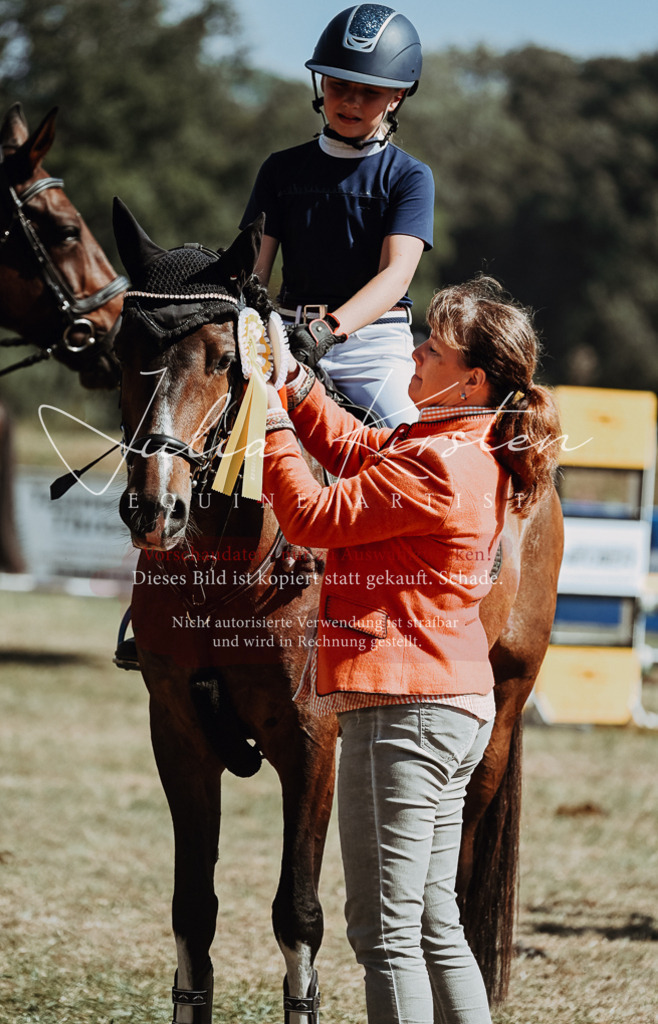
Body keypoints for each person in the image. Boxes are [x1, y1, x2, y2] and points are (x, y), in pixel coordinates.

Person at [260, 276, 561, 1024]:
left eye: (432, 347)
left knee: (383, 935)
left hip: (406, 712)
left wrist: (269, 427)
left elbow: (310, 512)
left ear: (473, 378)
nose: (415, 354)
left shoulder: (437, 461)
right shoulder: (463, 443)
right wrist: (295, 388)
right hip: (449, 707)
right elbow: (360, 446)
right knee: (433, 923)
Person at [241, 3, 434, 427]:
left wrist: (328, 329)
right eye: (339, 85)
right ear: (321, 82)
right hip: (284, 336)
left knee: (411, 442)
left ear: (398, 95)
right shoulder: (280, 169)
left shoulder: (410, 176)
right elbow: (254, 268)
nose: (350, 101)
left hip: (373, 348)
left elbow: (396, 276)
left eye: (370, 92)